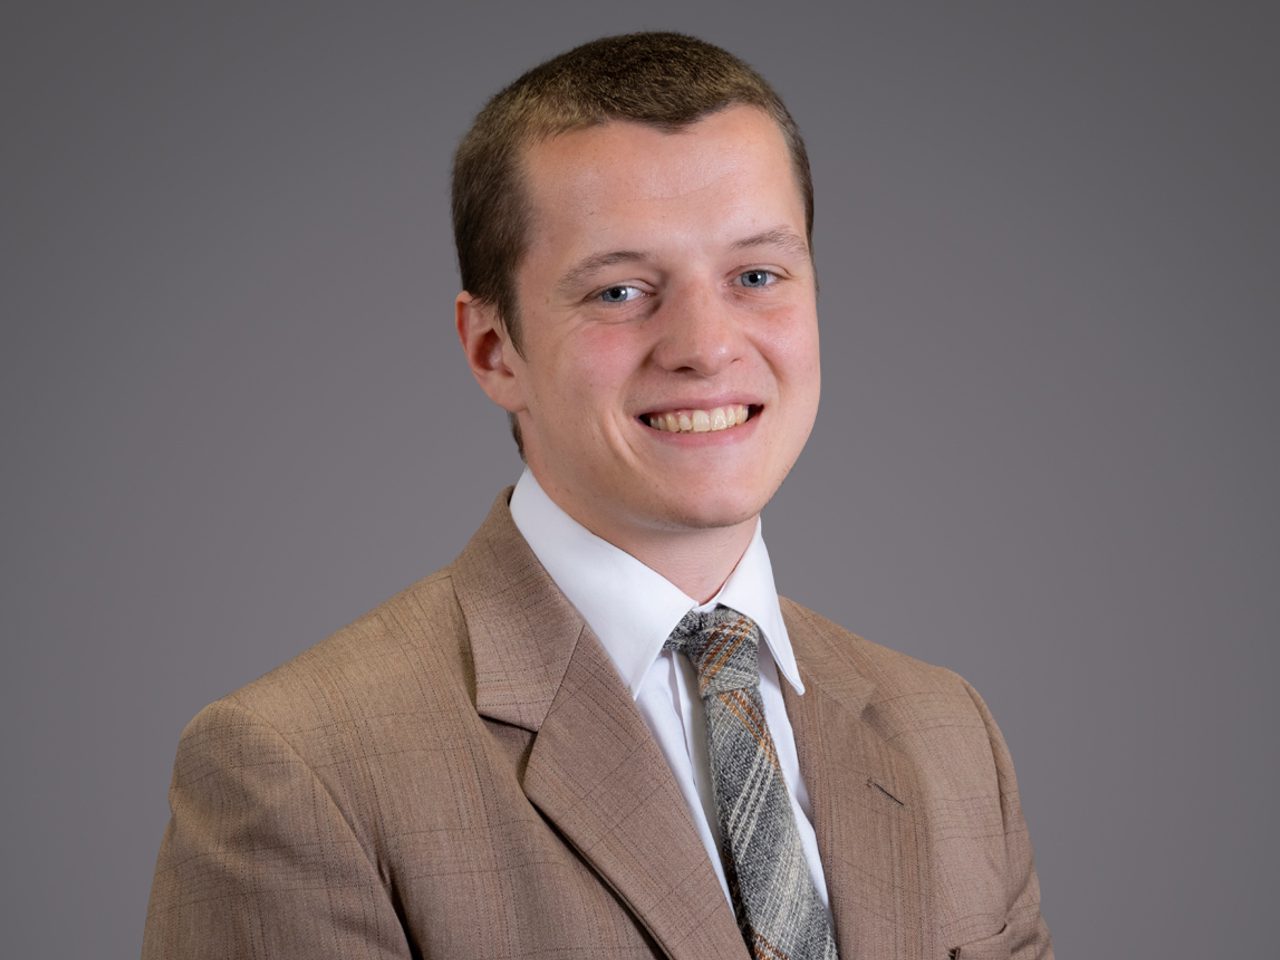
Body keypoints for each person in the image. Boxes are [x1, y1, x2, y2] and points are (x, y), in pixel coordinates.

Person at [142, 32, 1052, 960]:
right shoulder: (299, 772)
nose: (705, 344)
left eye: (756, 276)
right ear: (494, 349)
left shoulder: (948, 732)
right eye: (620, 290)